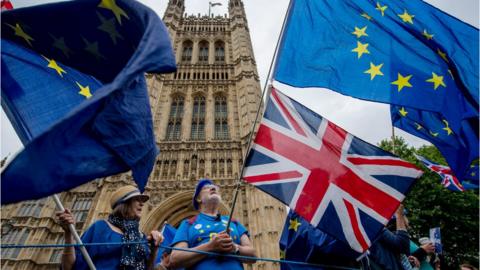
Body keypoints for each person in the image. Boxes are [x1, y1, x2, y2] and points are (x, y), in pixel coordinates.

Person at [56, 185, 164, 270]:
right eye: (137, 199)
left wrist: (154, 249)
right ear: (124, 203)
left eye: (142, 201)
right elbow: (69, 267)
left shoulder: (140, 237)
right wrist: (68, 233)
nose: (142, 204)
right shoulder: (101, 228)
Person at [169, 179, 256, 269]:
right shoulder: (188, 224)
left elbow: (253, 255)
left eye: (215, 188)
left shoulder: (233, 222)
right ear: (198, 198)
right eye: (207, 188)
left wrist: (234, 247)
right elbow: (175, 259)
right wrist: (210, 246)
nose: (213, 188)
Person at [368, 204, 411, 270]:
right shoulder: (377, 227)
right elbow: (403, 245)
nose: (407, 220)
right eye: (404, 215)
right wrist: (399, 215)